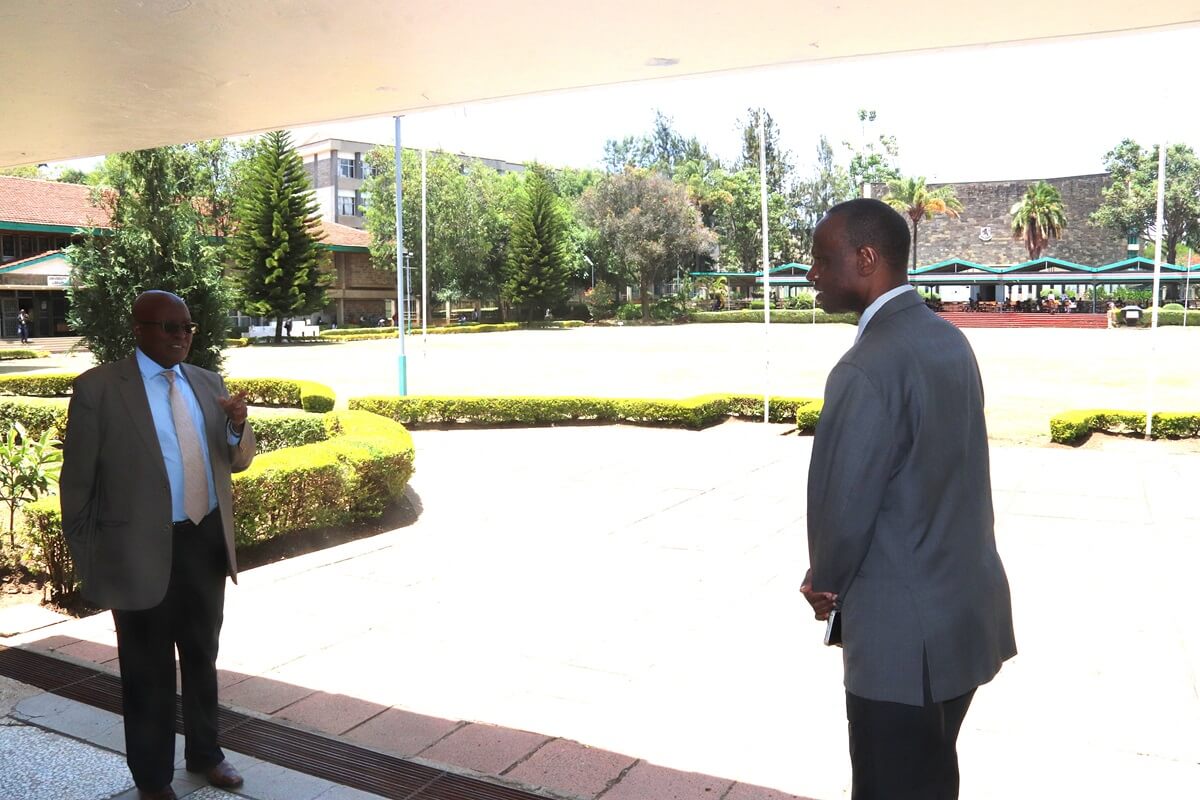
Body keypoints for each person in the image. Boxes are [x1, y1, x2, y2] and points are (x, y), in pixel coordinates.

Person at [799, 199, 1016, 800]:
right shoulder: (949, 340)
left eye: (822, 259)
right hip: (962, 615)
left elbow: (843, 506)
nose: (812, 273)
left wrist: (824, 580)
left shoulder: (866, 366)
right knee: (931, 778)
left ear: (867, 259)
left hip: (903, 639)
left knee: (890, 785)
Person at [60, 290, 256, 800]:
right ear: (139, 330)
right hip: (137, 552)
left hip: (204, 542)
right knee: (146, 670)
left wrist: (237, 425)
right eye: (169, 327)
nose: (181, 336)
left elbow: (237, 461)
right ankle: (152, 779)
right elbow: (77, 483)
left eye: (187, 327)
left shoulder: (207, 382)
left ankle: (206, 754)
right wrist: (90, 561)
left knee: (202, 655)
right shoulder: (100, 388)